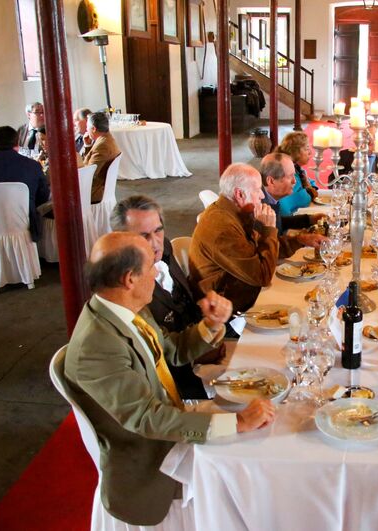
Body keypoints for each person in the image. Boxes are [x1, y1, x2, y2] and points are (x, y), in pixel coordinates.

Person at [64, 232, 276, 526]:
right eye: (151, 266)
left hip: (173, 421)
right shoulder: (96, 346)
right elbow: (148, 419)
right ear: (129, 279)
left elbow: (172, 351)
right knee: (255, 464)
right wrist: (237, 423)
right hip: (152, 463)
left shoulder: (125, 310)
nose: (157, 272)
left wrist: (212, 324)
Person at [110, 195, 227, 399]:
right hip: (174, 384)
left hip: (200, 350)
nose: (155, 243)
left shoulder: (164, 250)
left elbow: (186, 303)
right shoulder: (126, 290)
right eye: (143, 236)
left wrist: (211, 322)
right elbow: (163, 354)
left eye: (158, 230)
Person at [189, 163, 279, 313]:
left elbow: (257, 251)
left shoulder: (234, 212)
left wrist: (301, 241)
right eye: (258, 190)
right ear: (239, 194)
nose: (263, 196)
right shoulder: (222, 227)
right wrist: (269, 230)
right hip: (224, 313)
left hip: (241, 291)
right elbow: (262, 276)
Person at [259, 152, 327, 258]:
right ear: (271, 181)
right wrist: (300, 240)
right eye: (290, 176)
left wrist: (309, 219)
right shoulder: (259, 207)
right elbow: (268, 250)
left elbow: (279, 223)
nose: (294, 181)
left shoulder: (269, 198)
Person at [329, 125, 378, 191]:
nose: (370, 140)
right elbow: (332, 182)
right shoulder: (345, 155)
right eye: (366, 136)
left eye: (374, 137)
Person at [275, 131, 319, 216]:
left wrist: (310, 189)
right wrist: (310, 192)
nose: (310, 153)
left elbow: (312, 184)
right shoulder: (288, 175)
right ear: (295, 152)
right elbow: (305, 199)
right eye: (306, 149)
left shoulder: (298, 170)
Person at [81, 111, 121, 204]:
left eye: (87, 127)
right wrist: (87, 146)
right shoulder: (107, 138)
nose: (86, 130)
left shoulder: (102, 145)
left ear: (94, 129)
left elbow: (89, 173)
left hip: (94, 190)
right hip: (100, 186)